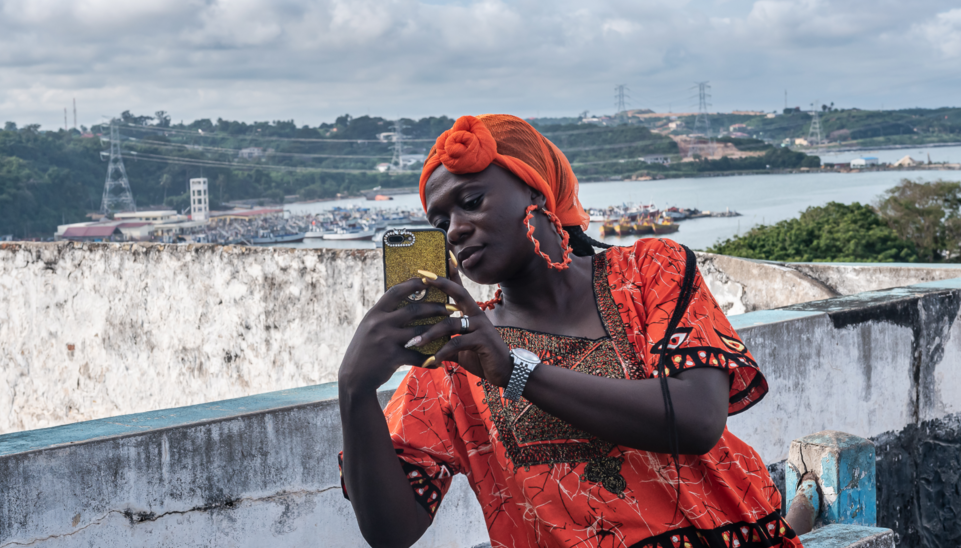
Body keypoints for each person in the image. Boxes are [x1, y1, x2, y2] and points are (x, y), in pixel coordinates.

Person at [338, 114, 800, 548]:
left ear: (536, 191)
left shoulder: (649, 272)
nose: (455, 231)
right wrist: (355, 391)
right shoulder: (458, 355)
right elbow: (391, 531)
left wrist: (517, 371)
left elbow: (698, 418)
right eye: (440, 224)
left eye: (472, 202)